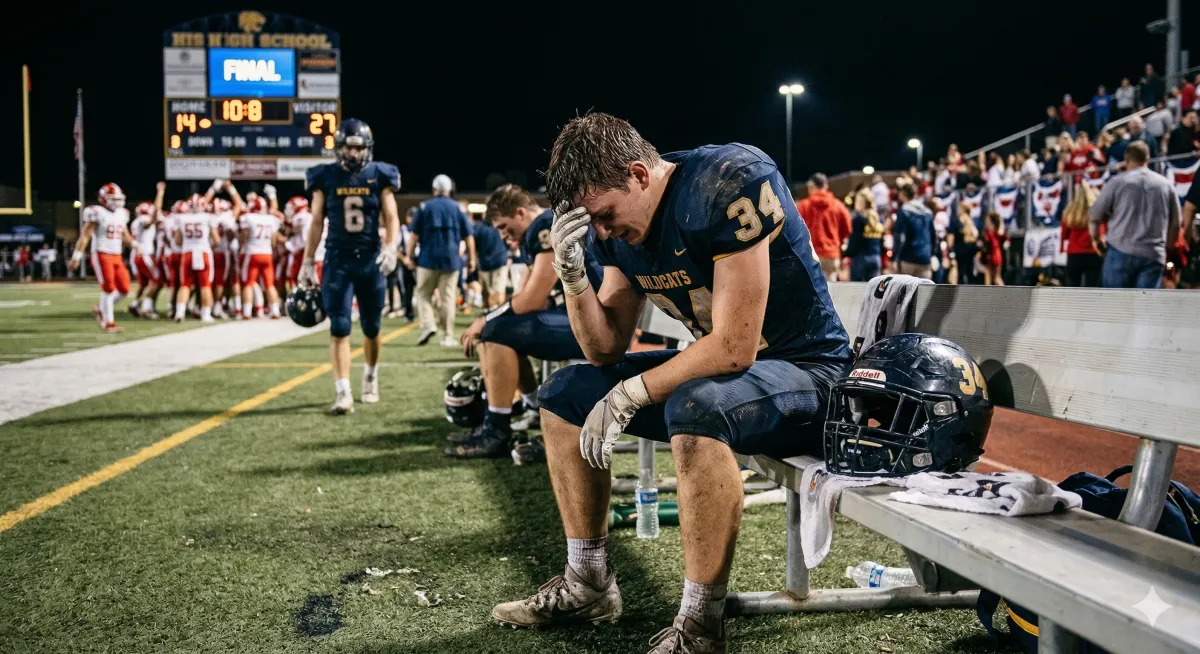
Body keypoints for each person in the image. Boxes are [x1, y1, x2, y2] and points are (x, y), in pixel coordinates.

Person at [490, 113, 851, 653]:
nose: (604, 231)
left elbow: (734, 346)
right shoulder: (616, 228)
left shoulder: (729, 181)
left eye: (606, 216)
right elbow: (604, 346)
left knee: (695, 405)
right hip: (733, 381)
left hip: (809, 372)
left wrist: (633, 391)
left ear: (639, 173)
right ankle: (588, 580)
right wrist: (572, 278)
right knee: (565, 394)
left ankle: (701, 625)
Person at [449, 184, 604, 458]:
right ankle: (530, 409)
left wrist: (486, 319)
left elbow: (532, 300)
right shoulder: (537, 230)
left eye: (504, 226)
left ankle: (497, 429)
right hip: (581, 315)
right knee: (499, 329)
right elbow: (525, 297)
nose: (502, 234)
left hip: (595, 322)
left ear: (521, 212)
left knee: (496, 331)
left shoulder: (544, 224)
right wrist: (490, 319)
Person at [299, 118, 401, 414]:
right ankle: (343, 391)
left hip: (370, 259)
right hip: (337, 260)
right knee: (340, 326)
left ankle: (370, 375)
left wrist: (391, 246)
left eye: (358, 147)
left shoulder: (380, 175)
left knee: (372, 327)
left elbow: (392, 215)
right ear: (338, 148)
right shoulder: (325, 176)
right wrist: (308, 260)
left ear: (366, 149)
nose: (353, 153)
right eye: (347, 147)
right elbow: (317, 221)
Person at [1089, 141, 1179, 289]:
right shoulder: (1166, 185)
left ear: (1127, 160)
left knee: (1116, 306)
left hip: (1120, 251)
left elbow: (1094, 216)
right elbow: (1175, 224)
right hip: (1153, 254)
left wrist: (1097, 240)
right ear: (1147, 159)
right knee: (1145, 308)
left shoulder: (1117, 182)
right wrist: (1167, 250)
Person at [407, 175, 477, 346]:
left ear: (434, 189)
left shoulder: (424, 207)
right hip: (452, 260)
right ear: (449, 190)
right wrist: (472, 258)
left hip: (427, 259)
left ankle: (428, 325)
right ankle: (446, 336)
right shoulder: (458, 208)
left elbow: (413, 236)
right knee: (447, 298)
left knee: (423, 294)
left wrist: (409, 256)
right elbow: (469, 236)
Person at [69, 183, 141, 333]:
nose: (117, 202)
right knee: (108, 288)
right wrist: (77, 255)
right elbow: (86, 235)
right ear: (103, 199)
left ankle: (102, 310)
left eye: (118, 199)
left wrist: (135, 245)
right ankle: (108, 323)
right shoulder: (97, 212)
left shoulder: (122, 213)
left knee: (125, 289)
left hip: (117, 255)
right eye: (113, 199)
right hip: (101, 253)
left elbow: (124, 234)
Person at [797, 172, 851, 282]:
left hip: (810, 253)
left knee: (811, 289)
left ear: (812, 187)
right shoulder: (838, 205)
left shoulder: (804, 205)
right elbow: (848, 228)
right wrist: (836, 240)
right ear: (826, 186)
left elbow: (796, 229)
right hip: (831, 253)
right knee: (831, 290)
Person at [891, 184, 937, 279]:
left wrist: (895, 258)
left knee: (905, 291)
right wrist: (932, 254)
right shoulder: (928, 212)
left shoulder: (904, 211)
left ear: (903, 194)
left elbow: (899, 237)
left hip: (908, 257)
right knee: (924, 292)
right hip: (925, 257)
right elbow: (933, 236)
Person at [471, 211, 510, 311]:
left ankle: (490, 311)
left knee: (490, 290)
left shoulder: (479, 227)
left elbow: (473, 244)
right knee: (497, 289)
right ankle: (495, 311)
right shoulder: (502, 225)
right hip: (498, 261)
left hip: (486, 263)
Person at [845, 187, 883, 281]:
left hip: (860, 259)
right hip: (876, 258)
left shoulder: (858, 220)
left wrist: (845, 254)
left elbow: (854, 242)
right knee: (873, 292)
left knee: (856, 292)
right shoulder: (878, 219)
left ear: (862, 202)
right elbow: (881, 242)